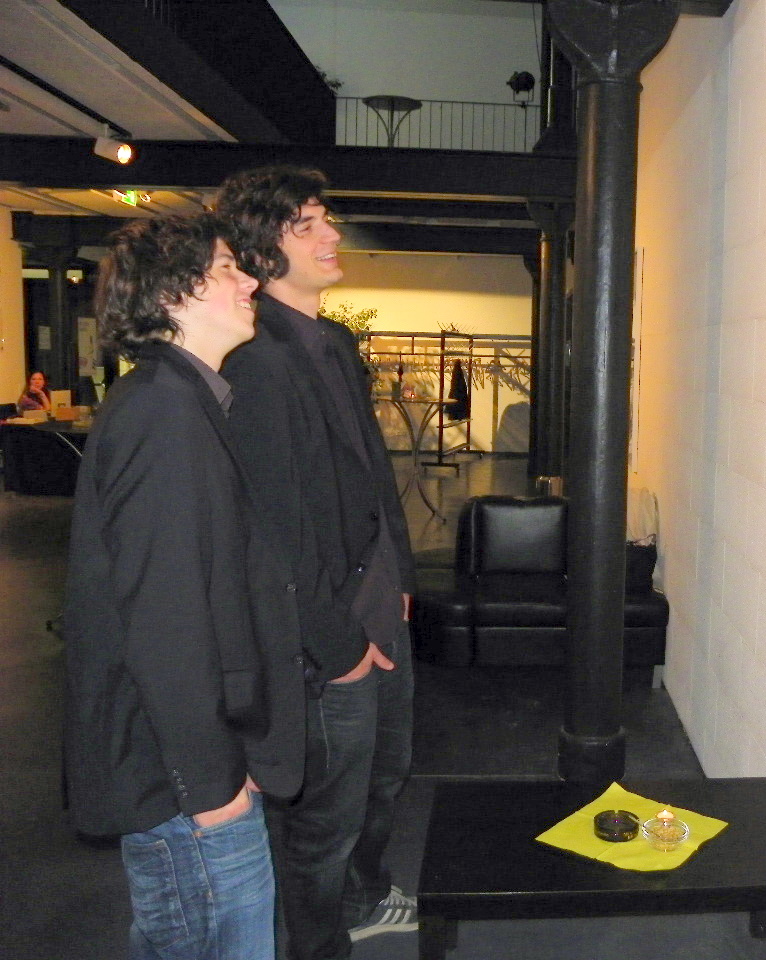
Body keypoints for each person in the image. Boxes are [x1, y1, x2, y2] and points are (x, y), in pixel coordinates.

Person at [62, 215, 307, 960]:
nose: (251, 281)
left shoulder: (181, 400)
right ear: (172, 293)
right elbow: (163, 617)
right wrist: (209, 784)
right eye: (228, 267)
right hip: (183, 786)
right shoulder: (165, 411)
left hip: (191, 766)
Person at [215, 166, 417, 959]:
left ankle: (363, 899)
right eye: (307, 225)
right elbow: (272, 529)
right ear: (263, 248)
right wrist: (337, 644)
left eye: (325, 217)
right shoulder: (256, 359)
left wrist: (400, 578)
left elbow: (371, 474)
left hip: (377, 600)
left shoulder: (332, 342)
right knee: (324, 815)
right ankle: (319, 943)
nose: (332, 234)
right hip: (326, 629)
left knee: (385, 775)